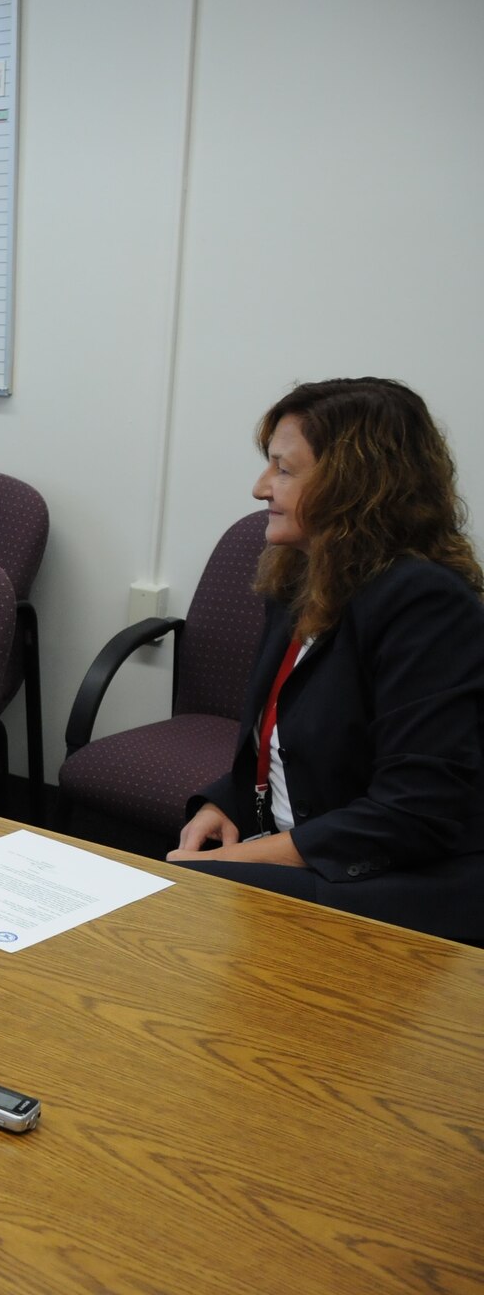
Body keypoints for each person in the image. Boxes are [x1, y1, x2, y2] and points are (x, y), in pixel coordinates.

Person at [171, 378, 484, 941]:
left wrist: (246, 861)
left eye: (284, 470)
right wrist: (226, 801)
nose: (260, 488)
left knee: (169, 919)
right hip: (307, 845)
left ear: (358, 485)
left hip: (393, 878)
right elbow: (281, 736)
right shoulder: (301, 576)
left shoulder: (426, 604)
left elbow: (416, 811)